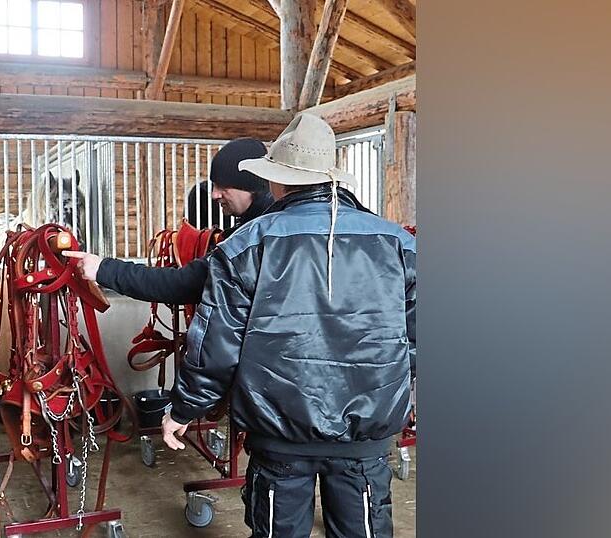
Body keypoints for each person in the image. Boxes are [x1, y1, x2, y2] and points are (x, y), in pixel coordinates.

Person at [160, 113, 416, 538]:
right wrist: (392, 383)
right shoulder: (398, 244)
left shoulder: (245, 246)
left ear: (275, 181)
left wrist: (185, 408)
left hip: (278, 436)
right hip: (365, 438)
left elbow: (216, 344)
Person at [64, 138, 275, 305]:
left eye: (223, 186)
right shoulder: (266, 227)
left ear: (248, 186)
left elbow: (182, 284)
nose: (214, 195)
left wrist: (104, 269)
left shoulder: (251, 242)